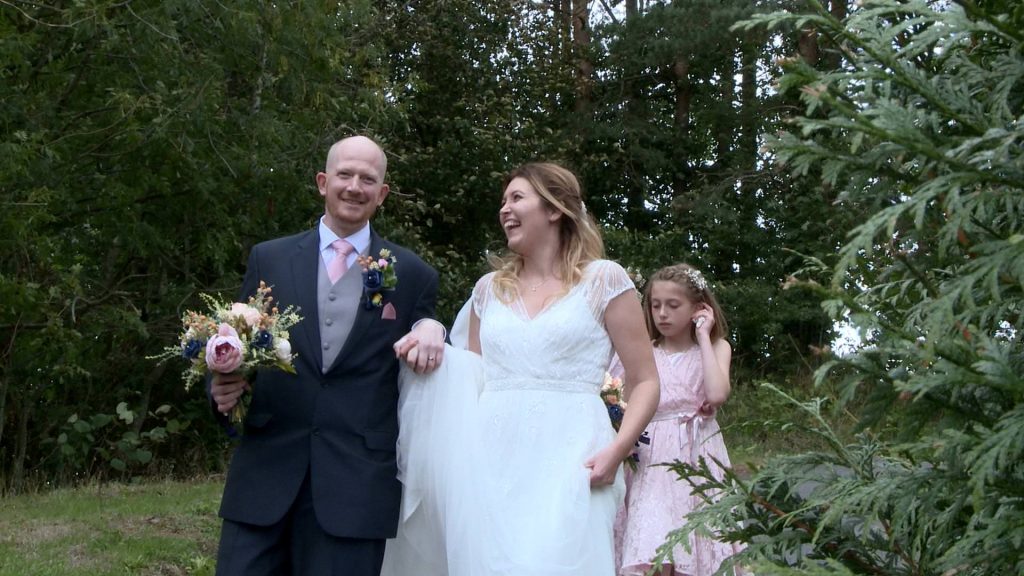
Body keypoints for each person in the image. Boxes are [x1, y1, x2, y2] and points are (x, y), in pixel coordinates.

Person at [381, 162, 660, 576]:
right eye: (503, 202)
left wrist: (618, 451)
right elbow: (469, 375)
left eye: (516, 198)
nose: (504, 210)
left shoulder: (605, 280)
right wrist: (431, 332)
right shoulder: (489, 289)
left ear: (554, 209)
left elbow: (646, 381)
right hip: (490, 459)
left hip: (575, 457)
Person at [209, 135, 446, 576]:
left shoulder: (413, 274)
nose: (355, 186)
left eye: (368, 179)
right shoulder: (271, 259)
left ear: (382, 193)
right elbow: (236, 344)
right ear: (323, 181)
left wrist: (434, 327)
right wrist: (222, 388)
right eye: (345, 175)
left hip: (356, 485)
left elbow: (426, 353)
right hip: (265, 472)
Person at [611, 263, 742, 576]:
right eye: (655, 306)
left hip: (698, 455)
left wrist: (704, 333)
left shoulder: (716, 347)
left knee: (695, 541)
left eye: (673, 305)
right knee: (652, 544)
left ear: (698, 308)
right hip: (651, 458)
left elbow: (716, 393)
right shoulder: (644, 352)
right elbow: (623, 402)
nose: (662, 314)